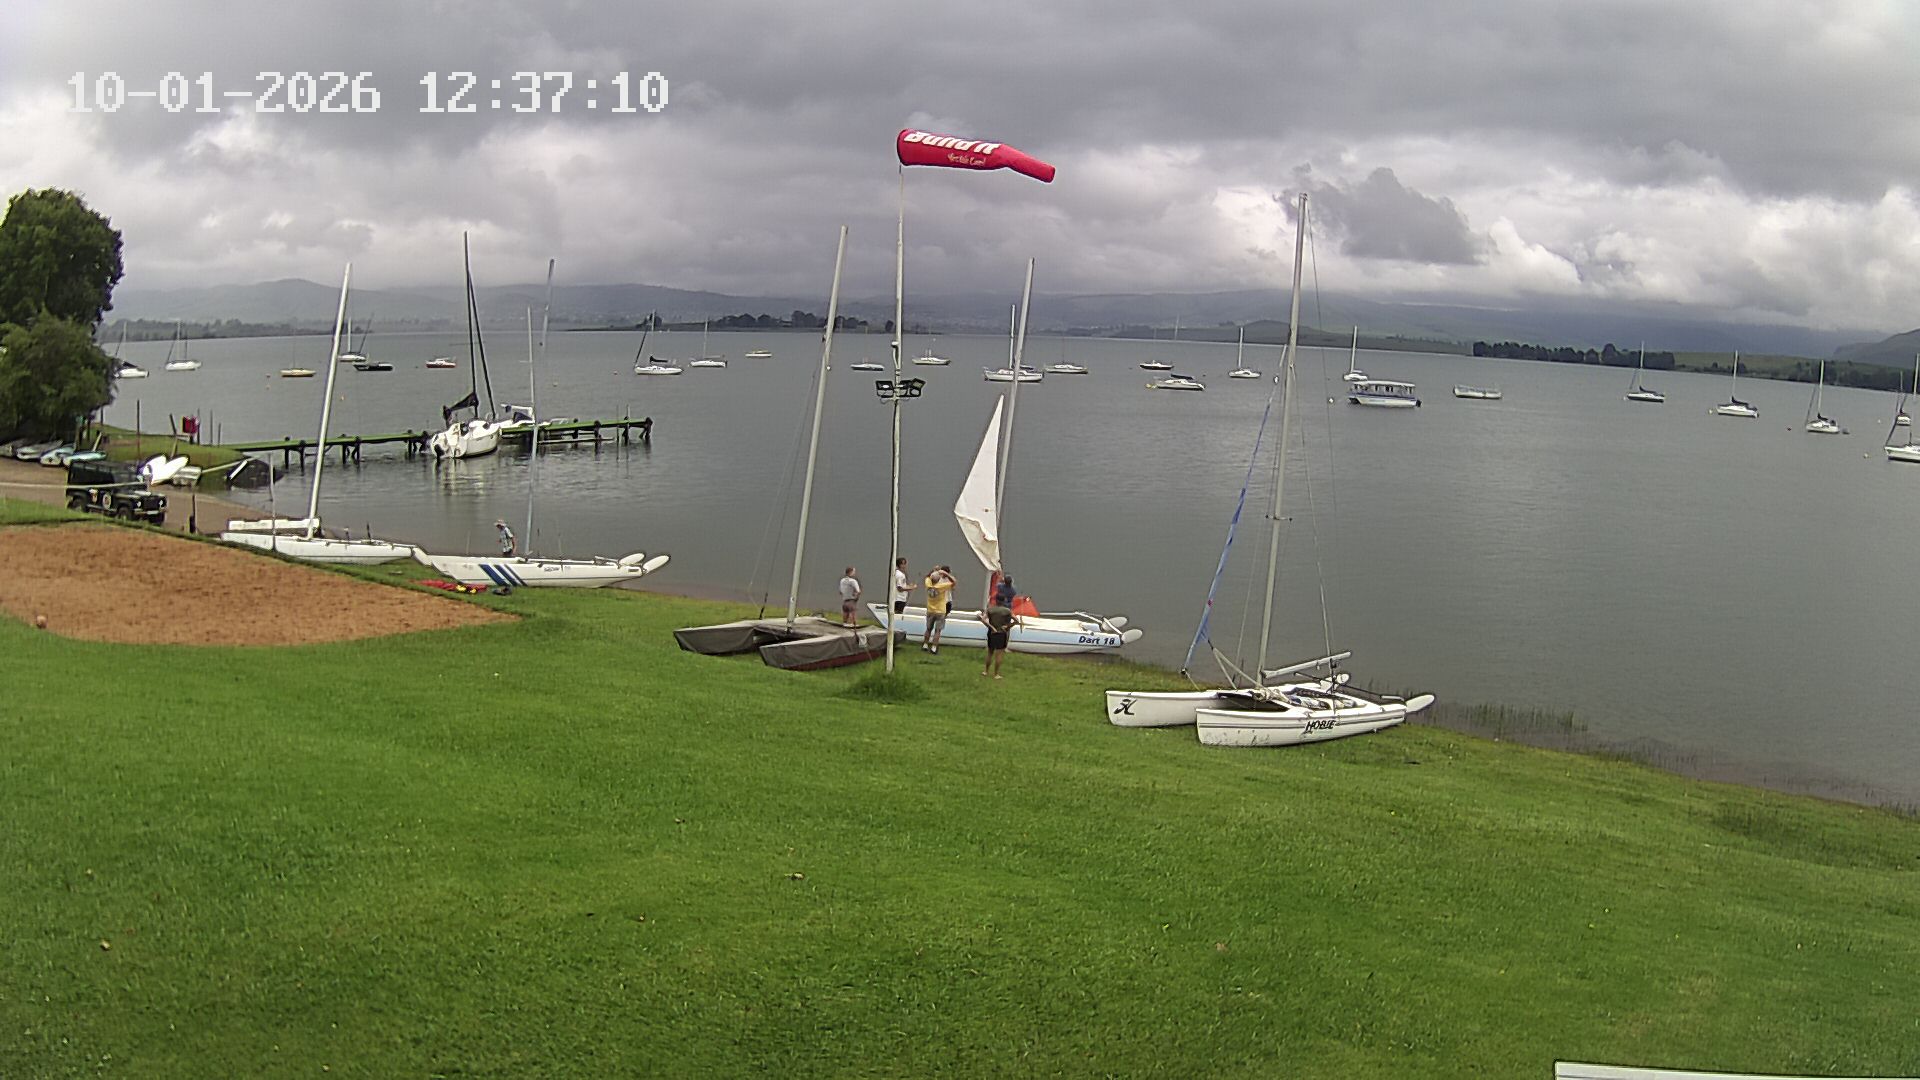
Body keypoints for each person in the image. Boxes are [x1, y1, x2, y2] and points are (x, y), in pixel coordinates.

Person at [922, 565, 956, 653]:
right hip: (940, 610)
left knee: (928, 629)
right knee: (938, 630)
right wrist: (946, 574)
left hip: (930, 610)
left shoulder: (928, 584)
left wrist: (934, 570)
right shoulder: (941, 586)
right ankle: (934, 647)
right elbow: (954, 582)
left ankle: (925, 644)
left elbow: (927, 577)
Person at [982, 591, 1015, 679]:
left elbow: (983, 619)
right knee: (999, 654)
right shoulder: (1007, 611)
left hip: (991, 633)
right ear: (1004, 601)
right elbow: (1016, 620)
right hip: (1001, 634)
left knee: (990, 652)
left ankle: (986, 671)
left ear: (996, 600)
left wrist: (991, 627)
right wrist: (1008, 626)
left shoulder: (990, 609)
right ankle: (996, 674)